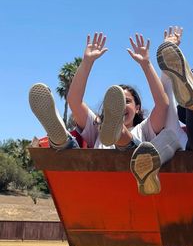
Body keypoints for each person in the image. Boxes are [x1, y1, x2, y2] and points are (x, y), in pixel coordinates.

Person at [29, 32, 181, 196]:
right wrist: (87, 62)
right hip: (99, 181)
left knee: (139, 152)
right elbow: (74, 101)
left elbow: (162, 103)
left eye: (127, 101)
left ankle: (117, 134)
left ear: (138, 108)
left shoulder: (145, 128)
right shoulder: (98, 126)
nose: (122, 105)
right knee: (70, 146)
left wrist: (146, 64)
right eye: (118, 102)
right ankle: (60, 138)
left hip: (132, 174)